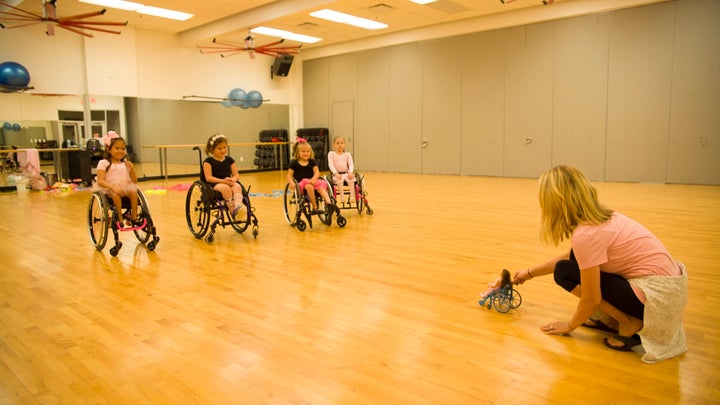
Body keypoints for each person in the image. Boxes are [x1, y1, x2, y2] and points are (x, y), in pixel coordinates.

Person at [512, 165, 688, 363]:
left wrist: (569, 326)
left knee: (564, 273)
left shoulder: (586, 235)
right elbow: (573, 257)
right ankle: (619, 316)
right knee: (568, 268)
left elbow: (591, 298)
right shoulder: (601, 218)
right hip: (666, 293)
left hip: (656, 301)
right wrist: (529, 273)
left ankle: (629, 320)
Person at [95, 131, 142, 228]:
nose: (121, 151)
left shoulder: (125, 164)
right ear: (108, 149)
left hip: (125, 188)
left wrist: (132, 169)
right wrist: (113, 187)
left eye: (123, 149)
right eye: (117, 148)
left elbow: (134, 181)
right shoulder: (103, 163)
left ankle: (134, 217)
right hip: (109, 189)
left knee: (134, 191)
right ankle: (119, 218)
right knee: (116, 194)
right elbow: (100, 181)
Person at [201, 134, 245, 218]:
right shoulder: (208, 161)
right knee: (225, 188)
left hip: (228, 181)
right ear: (212, 149)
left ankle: (239, 206)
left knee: (237, 186)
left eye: (224, 147)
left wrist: (233, 179)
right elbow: (208, 178)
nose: (223, 150)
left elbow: (236, 174)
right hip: (215, 183)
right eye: (219, 148)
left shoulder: (229, 160)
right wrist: (223, 181)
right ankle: (233, 211)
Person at [288, 139, 333, 213]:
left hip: (312, 181)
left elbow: (317, 172)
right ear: (297, 152)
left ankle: (329, 203)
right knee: (309, 186)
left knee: (321, 187)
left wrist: (314, 179)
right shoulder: (294, 163)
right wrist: (291, 183)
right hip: (301, 184)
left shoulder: (312, 162)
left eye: (307, 151)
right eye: (303, 152)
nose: (306, 153)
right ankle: (315, 206)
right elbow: (289, 176)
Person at [327, 136, 355, 206]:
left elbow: (351, 164)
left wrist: (350, 172)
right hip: (336, 174)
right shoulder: (331, 154)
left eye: (342, 143)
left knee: (350, 178)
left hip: (346, 173)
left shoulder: (347, 154)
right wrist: (335, 173)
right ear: (334, 145)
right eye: (338, 143)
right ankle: (342, 197)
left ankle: (352, 196)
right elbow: (331, 164)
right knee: (339, 178)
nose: (340, 145)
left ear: (344, 145)